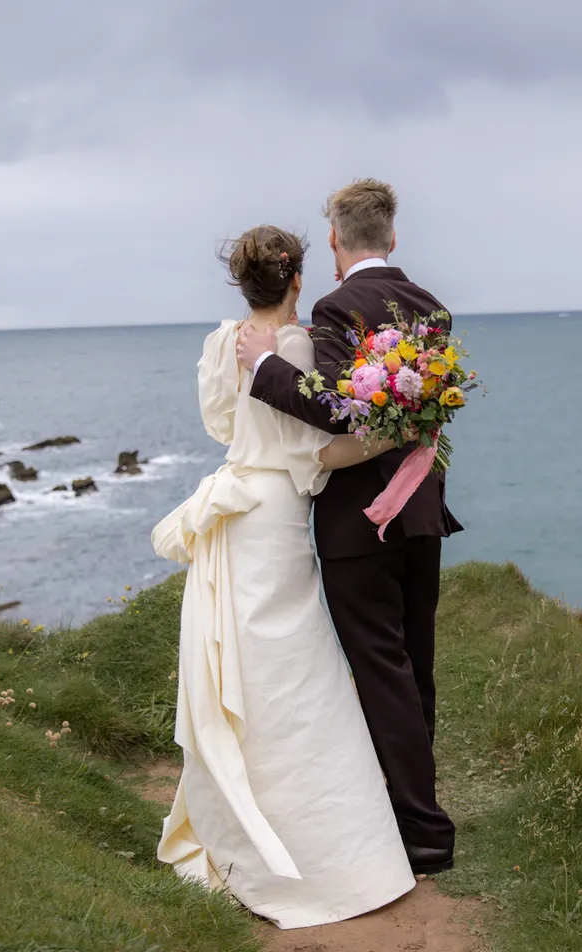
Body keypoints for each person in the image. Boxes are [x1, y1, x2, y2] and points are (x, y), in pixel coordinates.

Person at [152, 225, 415, 928]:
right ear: (297, 278)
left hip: (234, 511)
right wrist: (390, 436)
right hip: (279, 515)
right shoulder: (303, 351)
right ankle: (337, 855)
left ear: (244, 284)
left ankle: (237, 822)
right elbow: (321, 452)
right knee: (296, 673)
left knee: (241, 666)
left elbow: (218, 423)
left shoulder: (220, 344)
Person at [235, 179, 460, 875]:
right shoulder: (433, 309)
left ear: (334, 240)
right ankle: (413, 814)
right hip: (420, 510)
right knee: (413, 667)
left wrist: (264, 366)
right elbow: (425, 409)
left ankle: (422, 831)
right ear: (392, 237)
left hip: (361, 525)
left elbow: (337, 409)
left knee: (383, 671)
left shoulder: (336, 309)